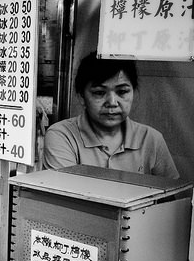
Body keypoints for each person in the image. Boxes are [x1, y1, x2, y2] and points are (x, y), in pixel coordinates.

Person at [42, 51, 179, 179]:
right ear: (82, 97)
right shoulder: (62, 136)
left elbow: (172, 199)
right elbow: (66, 199)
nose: (112, 103)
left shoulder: (151, 139)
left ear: (133, 93)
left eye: (122, 92)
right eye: (99, 93)